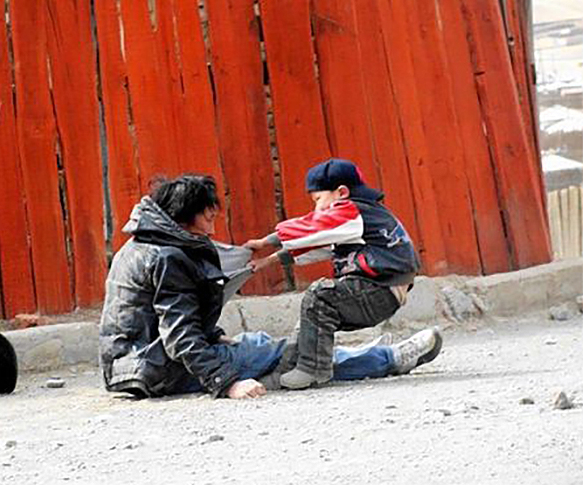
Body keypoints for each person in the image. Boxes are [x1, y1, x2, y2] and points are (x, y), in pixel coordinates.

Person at [244, 158, 441, 390]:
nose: (317, 209)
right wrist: (267, 261)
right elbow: (317, 246)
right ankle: (284, 372)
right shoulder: (360, 220)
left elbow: (312, 227)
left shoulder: (353, 211)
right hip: (383, 292)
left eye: (318, 200)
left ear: (342, 193)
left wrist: (265, 241)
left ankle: (312, 369)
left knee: (319, 296)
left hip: (378, 290)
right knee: (309, 318)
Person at [99, 174, 283, 399]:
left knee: (255, 343)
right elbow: (179, 334)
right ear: (184, 216)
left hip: (128, 367)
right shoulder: (167, 258)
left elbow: (155, 314)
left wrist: (212, 335)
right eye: (208, 219)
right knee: (272, 350)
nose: (212, 230)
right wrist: (226, 383)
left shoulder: (134, 247)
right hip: (158, 370)